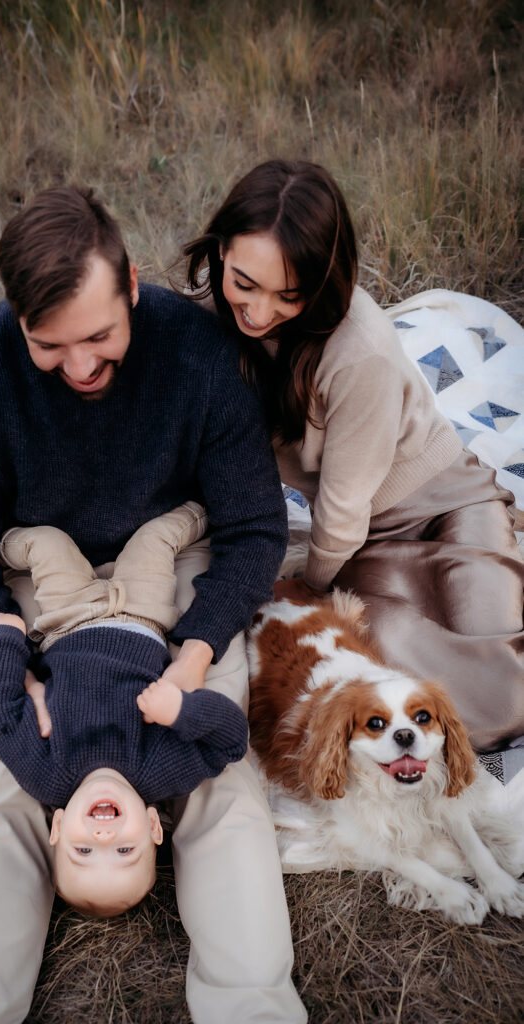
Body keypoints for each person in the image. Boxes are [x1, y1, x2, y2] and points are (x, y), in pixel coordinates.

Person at [0, 185, 307, 1022]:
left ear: (132, 283)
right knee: (15, 787)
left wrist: (197, 651)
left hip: (176, 554)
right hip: (42, 566)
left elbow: (250, 528)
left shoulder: (200, 353)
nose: (83, 365)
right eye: (50, 346)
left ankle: (251, 1006)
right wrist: (14, 669)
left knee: (221, 781)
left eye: (99, 335)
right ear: (15, 319)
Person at [185, 157, 524, 754]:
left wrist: (309, 586)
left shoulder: (357, 351)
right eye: (244, 283)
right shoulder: (208, 314)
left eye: (288, 295)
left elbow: (341, 513)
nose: (259, 313)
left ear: (322, 284)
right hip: (359, 541)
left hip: (440, 509)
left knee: (497, 683)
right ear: (219, 253)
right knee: (378, 650)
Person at [0, 503, 248, 917]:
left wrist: (5, 641)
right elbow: (231, 742)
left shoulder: (44, 774)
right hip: (144, 614)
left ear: (57, 827)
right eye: (125, 849)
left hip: (67, 619)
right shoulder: (162, 772)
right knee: (156, 536)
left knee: (47, 541)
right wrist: (180, 710)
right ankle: (214, 504)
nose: (103, 835)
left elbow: (1, 713)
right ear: (155, 827)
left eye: (82, 849)